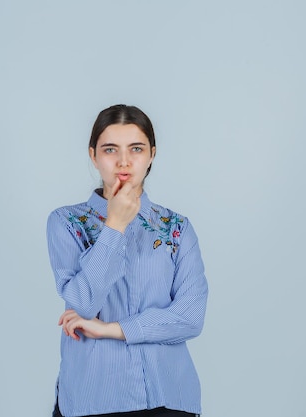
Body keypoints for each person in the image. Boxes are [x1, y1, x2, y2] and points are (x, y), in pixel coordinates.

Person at [46, 104, 208, 417]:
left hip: (170, 396)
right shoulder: (66, 222)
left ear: (152, 154)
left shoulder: (176, 228)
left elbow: (190, 316)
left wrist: (111, 329)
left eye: (136, 148)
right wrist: (115, 226)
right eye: (110, 149)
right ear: (93, 155)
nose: (123, 161)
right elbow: (81, 305)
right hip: (95, 400)